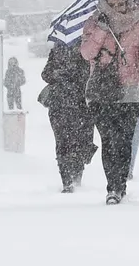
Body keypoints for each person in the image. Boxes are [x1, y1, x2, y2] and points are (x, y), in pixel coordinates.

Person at [77, 0, 139, 204]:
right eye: (112, 5)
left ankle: (120, 182)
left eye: (121, 4)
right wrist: (102, 31)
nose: (117, 9)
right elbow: (87, 54)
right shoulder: (94, 24)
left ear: (128, 3)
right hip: (101, 92)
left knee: (123, 141)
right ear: (105, 5)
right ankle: (112, 187)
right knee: (109, 140)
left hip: (129, 91)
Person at [40, 40, 97, 192]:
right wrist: (58, 74)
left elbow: (90, 74)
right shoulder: (59, 50)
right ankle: (68, 179)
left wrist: (66, 74)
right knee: (67, 142)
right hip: (65, 104)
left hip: (77, 104)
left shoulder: (87, 50)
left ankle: (73, 177)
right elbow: (45, 74)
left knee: (73, 142)